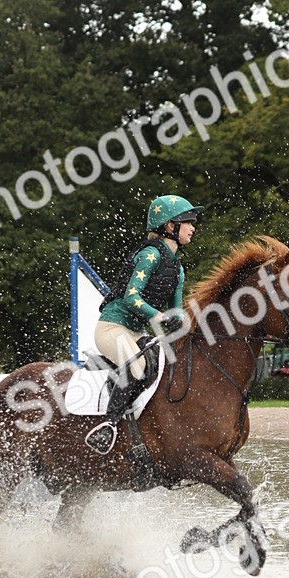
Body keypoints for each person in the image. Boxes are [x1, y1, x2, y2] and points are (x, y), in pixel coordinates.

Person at [85, 194, 202, 454]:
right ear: (170, 226)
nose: (193, 227)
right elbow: (131, 297)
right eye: (188, 222)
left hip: (136, 333)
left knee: (165, 368)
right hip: (111, 329)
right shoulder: (150, 256)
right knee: (137, 367)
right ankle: (108, 426)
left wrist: (193, 323)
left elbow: (177, 311)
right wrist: (159, 318)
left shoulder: (178, 268)